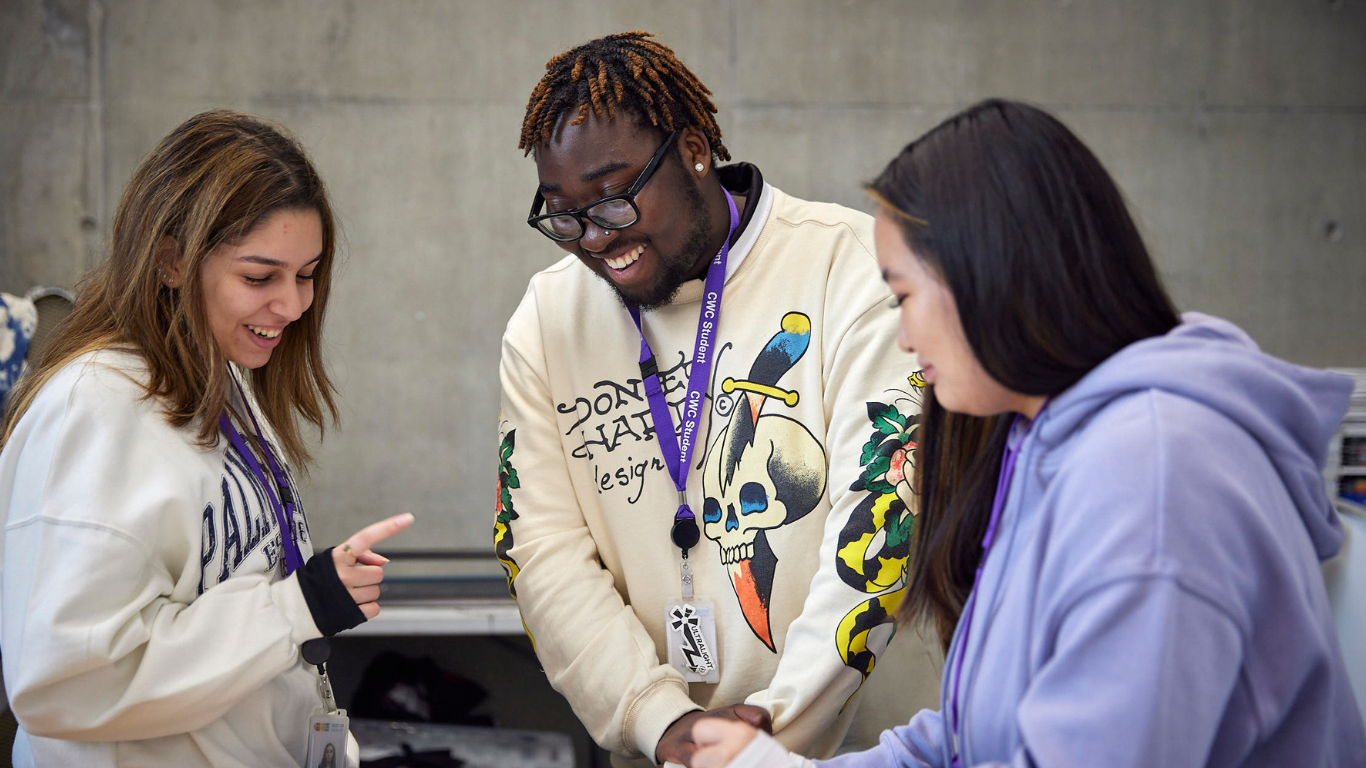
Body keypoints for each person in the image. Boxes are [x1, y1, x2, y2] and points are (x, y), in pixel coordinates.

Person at [688, 98, 1366, 768]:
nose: (903, 333)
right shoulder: (1039, 440)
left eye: (903, 296)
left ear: (988, 272)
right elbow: (969, 735)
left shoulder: (1155, 476)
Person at [496, 31, 926, 768]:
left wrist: (770, 730)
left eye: (614, 199)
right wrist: (665, 724)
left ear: (694, 149)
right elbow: (540, 554)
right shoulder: (546, 320)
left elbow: (884, 508)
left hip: (863, 749)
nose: (596, 240)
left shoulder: (847, 269)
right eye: (563, 216)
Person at [0, 109, 414, 768]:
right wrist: (297, 608)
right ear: (170, 261)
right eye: (260, 277)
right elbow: (65, 681)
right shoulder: (92, 407)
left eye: (306, 274)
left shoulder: (222, 379)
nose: (293, 304)